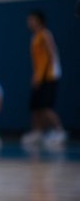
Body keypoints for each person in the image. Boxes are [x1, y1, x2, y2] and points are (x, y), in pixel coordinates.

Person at [23, 10, 66, 151]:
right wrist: (36, 75)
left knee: (46, 106)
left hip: (49, 76)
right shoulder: (34, 37)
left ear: (39, 21)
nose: (29, 22)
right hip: (40, 76)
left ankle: (59, 132)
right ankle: (38, 132)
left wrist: (41, 76)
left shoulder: (45, 35)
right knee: (35, 106)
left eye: (32, 19)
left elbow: (50, 56)